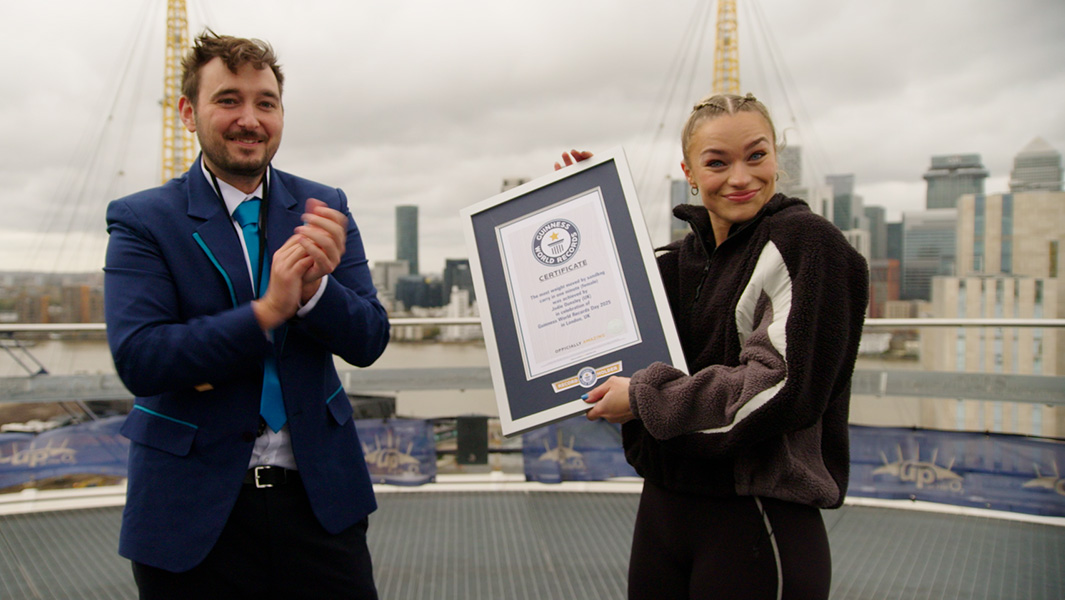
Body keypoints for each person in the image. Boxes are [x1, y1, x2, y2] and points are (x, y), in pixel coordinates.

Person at [104, 31, 389, 599]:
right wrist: (267, 311)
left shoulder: (322, 206)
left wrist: (314, 295)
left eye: (265, 102)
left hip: (320, 507)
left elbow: (370, 339)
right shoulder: (141, 220)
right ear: (189, 112)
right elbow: (142, 359)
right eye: (228, 99)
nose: (249, 119)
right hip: (191, 513)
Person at [559, 93, 868, 599]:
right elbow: (608, 312)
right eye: (717, 163)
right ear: (690, 172)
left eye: (757, 155)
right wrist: (591, 209)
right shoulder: (683, 260)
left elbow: (782, 386)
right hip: (663, 508)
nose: (741, 177)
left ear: (777, 158)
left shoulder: (807, 244)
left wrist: (643, 399)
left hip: (756, 516)